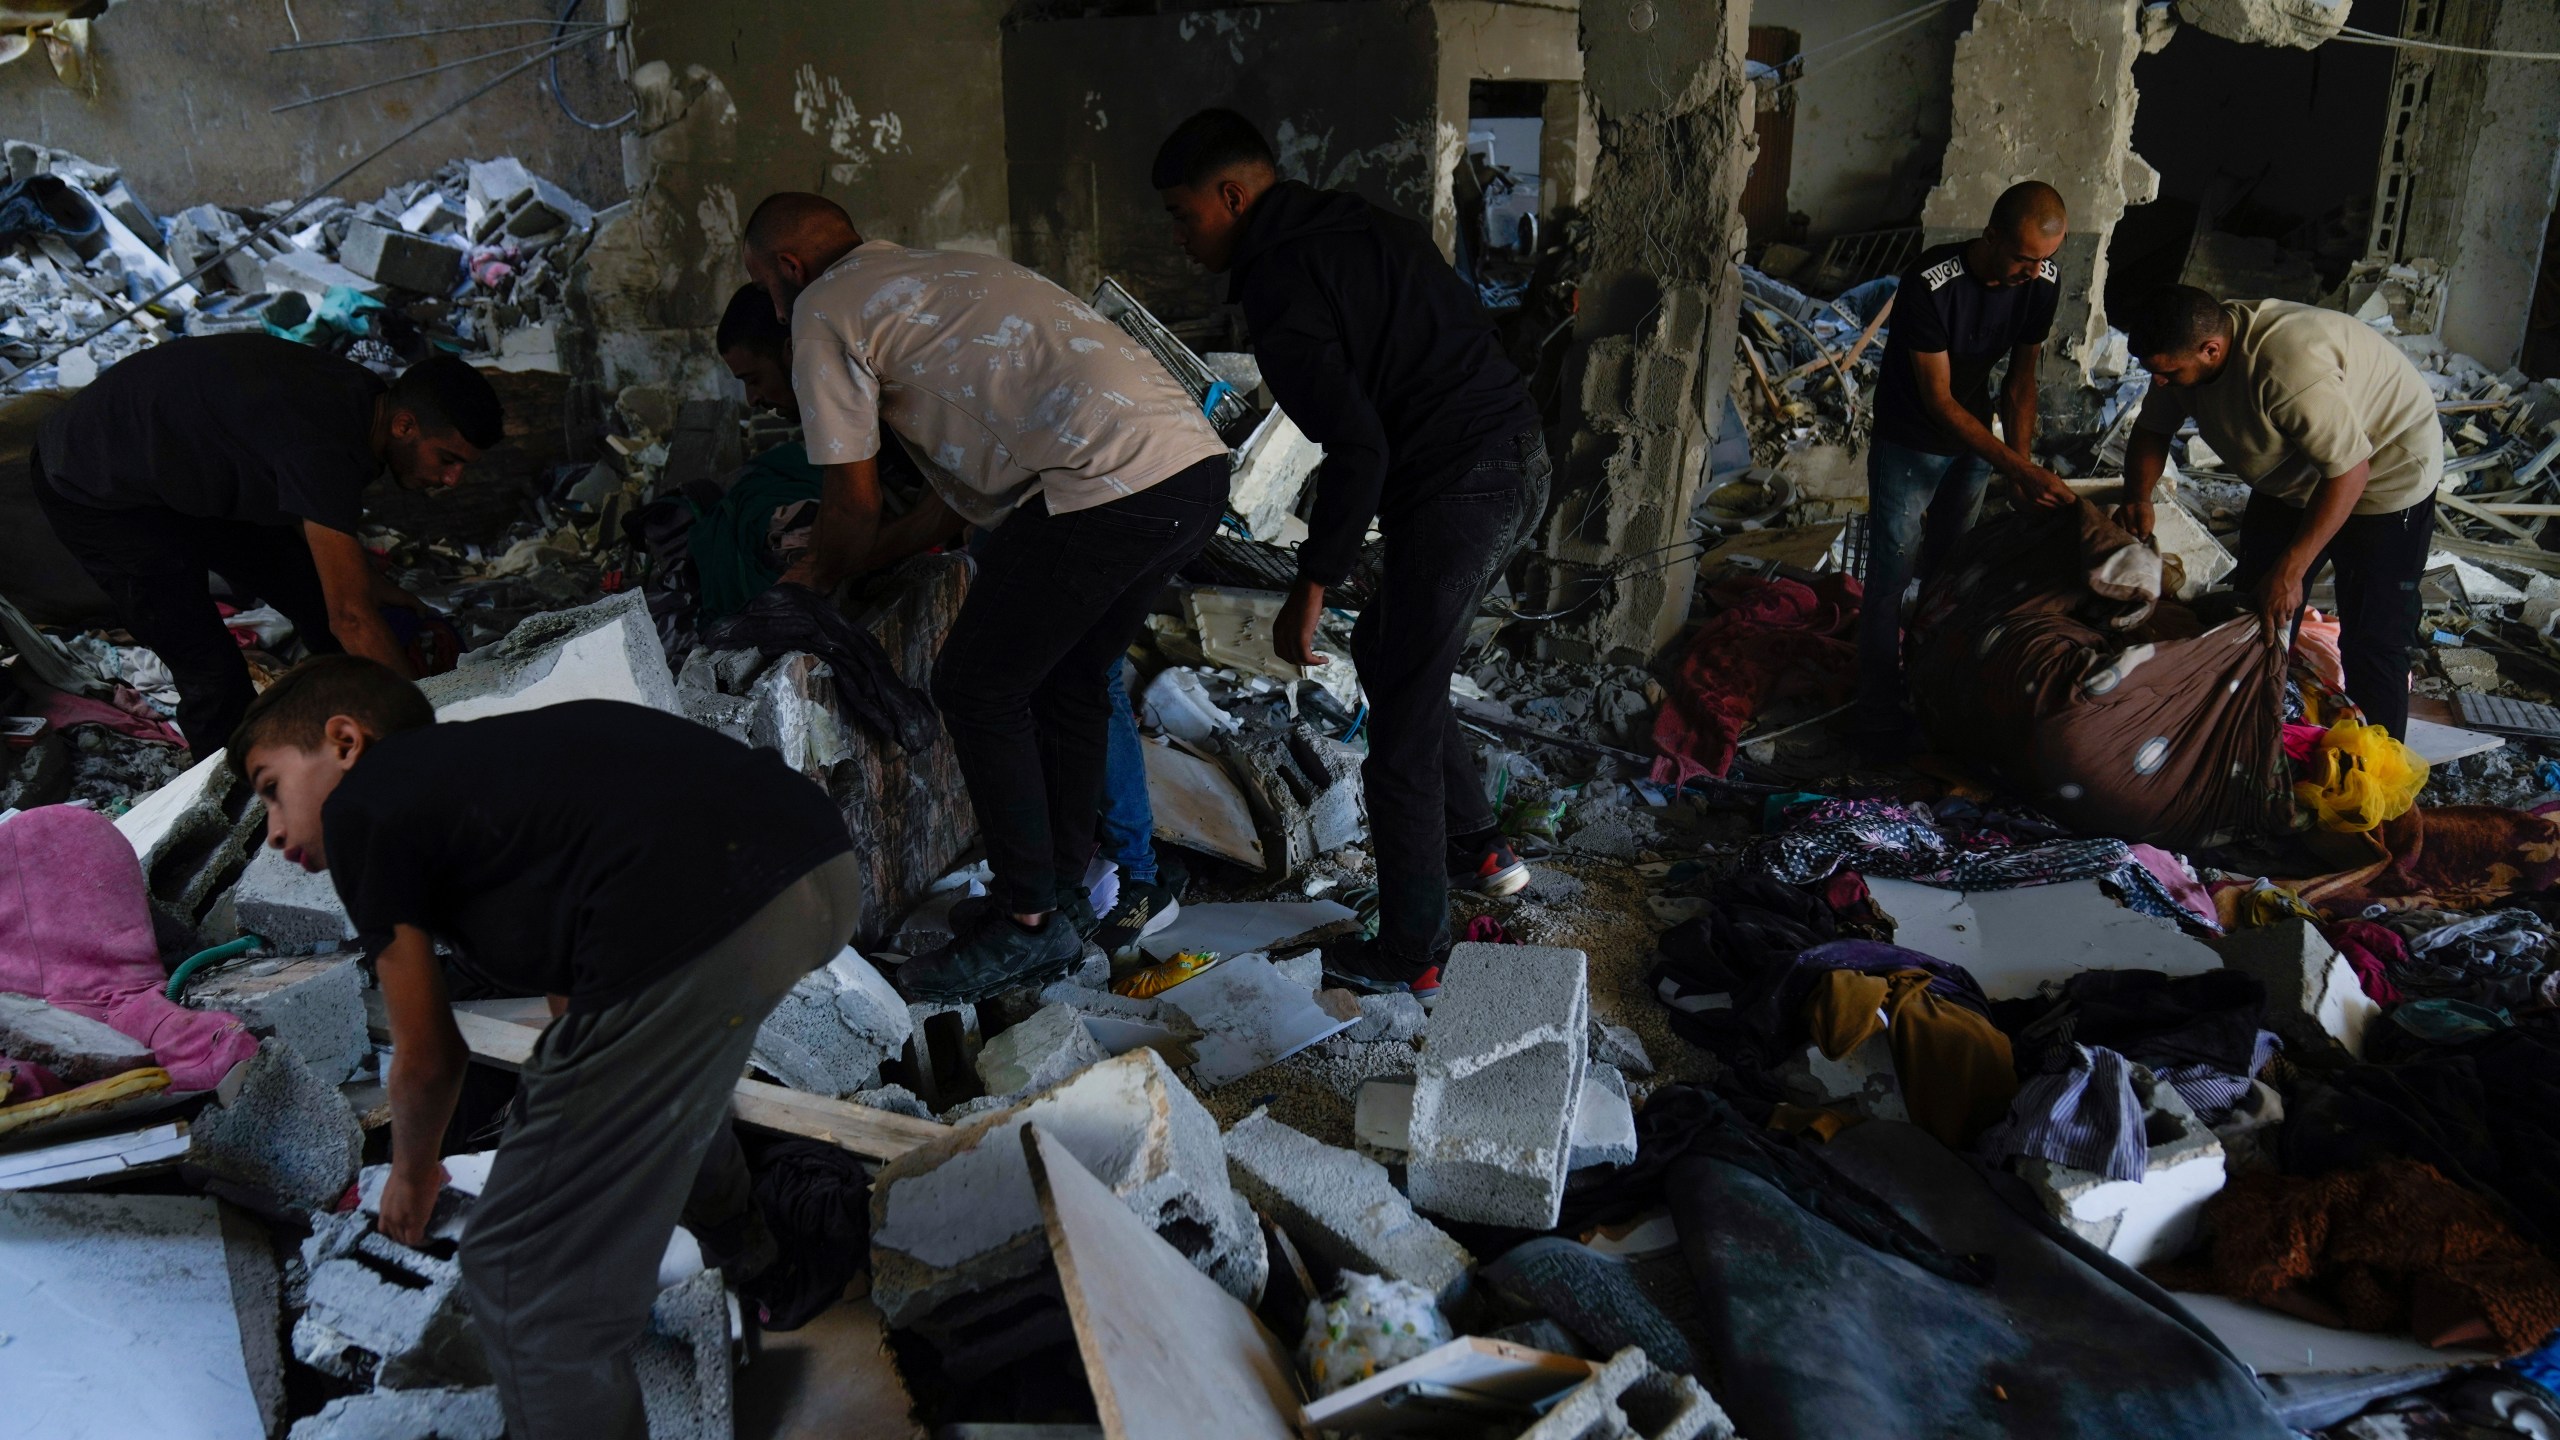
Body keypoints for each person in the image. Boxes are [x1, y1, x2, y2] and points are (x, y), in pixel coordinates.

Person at [229, 656, 861, 1440]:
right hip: (818, 874)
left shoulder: (368, 804)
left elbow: (429, 1054)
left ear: (346, 740)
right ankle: (759, 1266)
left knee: (519, 1276)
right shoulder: (491, 785)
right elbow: (583, 1010)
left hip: (701, 913)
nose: (276, 834)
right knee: (652, 1090)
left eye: (270, 789)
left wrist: (413, 1175)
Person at [740, 192, 1231, 1000]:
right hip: (1189, 471)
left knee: (975, 683)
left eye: (763, 283)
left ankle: (1027, 920)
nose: (771, 300)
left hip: (1102, 482)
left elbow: (852, 504)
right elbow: (940, 512)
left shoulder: (824, 308)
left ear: (788, 267)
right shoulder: (935, 273)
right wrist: (849, 560)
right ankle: (1060, 894)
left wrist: (809, 583)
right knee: (1073, 677)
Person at [1152, 108, 1538, 996]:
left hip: (1463, 483)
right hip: (1514, 454)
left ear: (1232, 194)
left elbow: (1359, 449)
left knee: (1398, 720)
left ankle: (1413, 952)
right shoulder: (1358, 224)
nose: (1179, 238)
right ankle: (1481, 847)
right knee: (1394, 654)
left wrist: (1309, 586)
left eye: (1183, 214)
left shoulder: (1282, 286)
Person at [31, 334, 502, 756]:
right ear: (404, 426)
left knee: (316, 593)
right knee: (213, 673)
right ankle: (240, 814)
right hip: (94, 484)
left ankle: (352, 721)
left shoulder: (363, 403)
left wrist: (368, 582)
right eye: (447, 460)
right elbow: (352, 618)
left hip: (176, 467)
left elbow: (315, 513)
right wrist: (429, 725)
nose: (451, 480)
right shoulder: (329, 441)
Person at [2117, 285, 2442, 739]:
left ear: (2211, 350)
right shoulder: (2179, 359)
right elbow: (2152, 430)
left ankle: (2377, 778)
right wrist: (2137, 497)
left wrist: (2293, 568)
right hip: (2298, 473)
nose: (2160, 382)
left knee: (2373, 639)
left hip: (2384, 478)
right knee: (2256, 613)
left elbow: (2350, 473)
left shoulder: (2287, 368)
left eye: (2169, 372)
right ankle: (2254, 738)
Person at [1859, 181, 2076, 759]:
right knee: (1890, 573)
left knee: (1951, 569)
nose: (2033, 271)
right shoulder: (1931, 284)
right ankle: (1878, 715)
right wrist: (2015, 469)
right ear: (1991, 236)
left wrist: (2021, 466)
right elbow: (1938, 400)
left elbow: (2021, 379)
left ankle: (1930, 688)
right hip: (1910, 439)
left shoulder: (2042, 283)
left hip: (1975, 439)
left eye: (2044, 260)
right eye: (2023, 258)